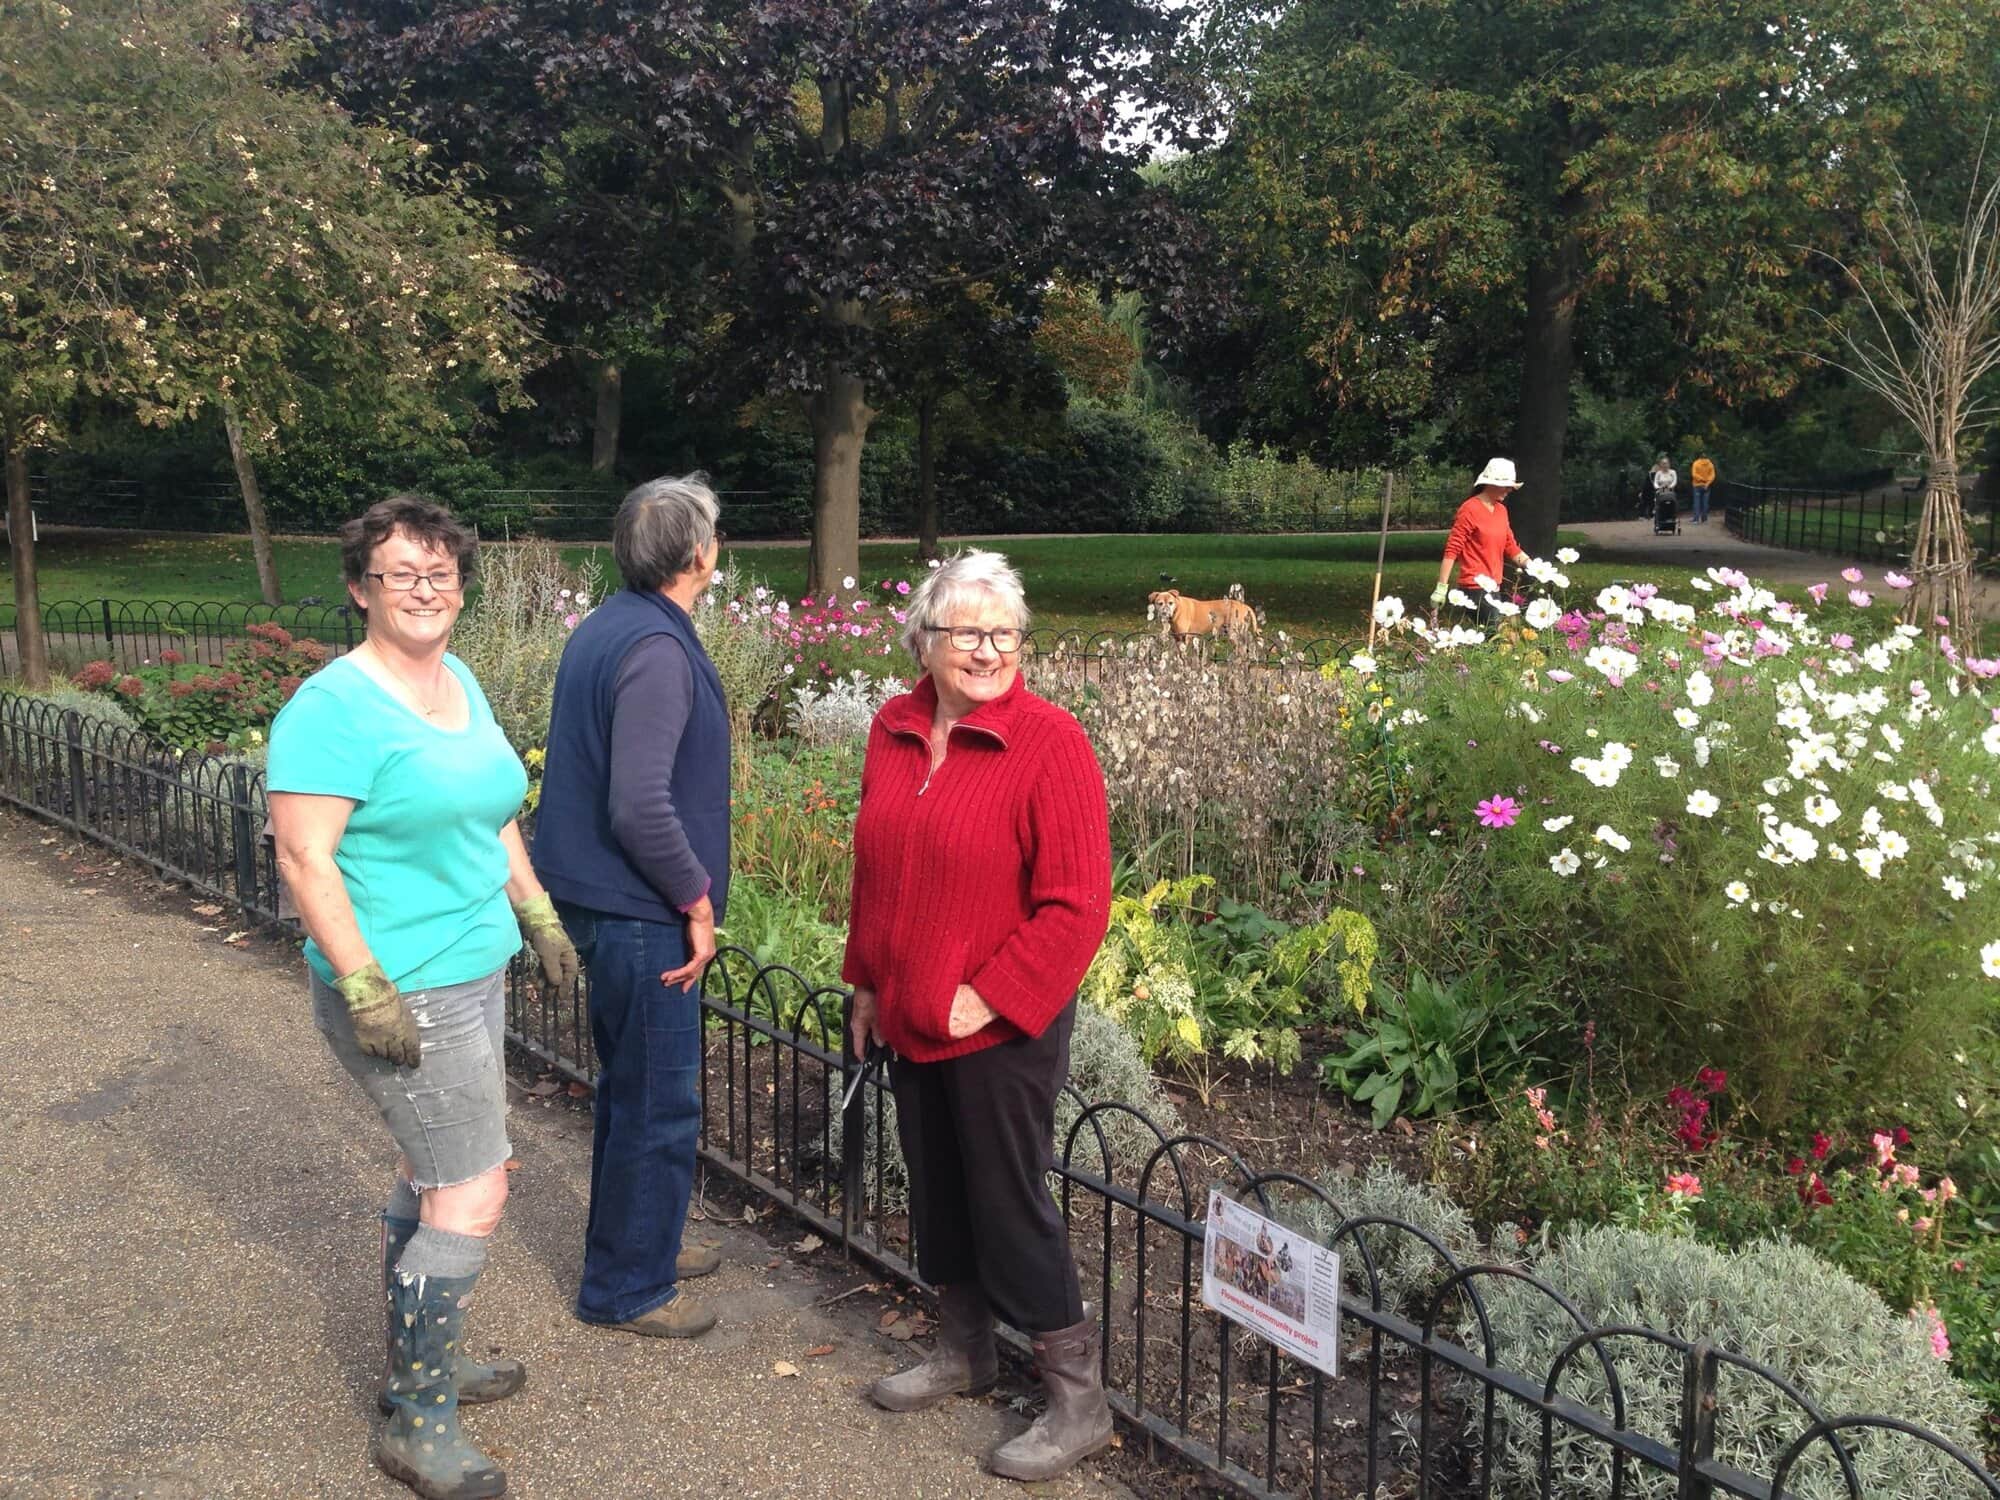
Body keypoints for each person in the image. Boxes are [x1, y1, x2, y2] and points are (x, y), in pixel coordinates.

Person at [268, 495, 579, 1500]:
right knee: (473, 1190)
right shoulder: (332, 708)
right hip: (402, 989)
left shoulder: (458, 682)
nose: (423, 589)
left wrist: (534, 914)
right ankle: (419, 1419)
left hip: (470, 970)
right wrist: (363, 986)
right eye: (401, 573)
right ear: (361, 588)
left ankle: (422, 1372)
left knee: (429, 1170)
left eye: (439, 571)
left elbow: (491, 812)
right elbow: (304, 858)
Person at [845, 549, 1114, 1483]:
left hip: (1001, 1027)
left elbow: (1079, 905)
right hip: (913, 1011)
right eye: (968, 633)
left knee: (1008, 1199)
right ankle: (964, 1349)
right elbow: (878, 868)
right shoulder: (894, 727)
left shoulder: (1050, 743)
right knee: (938, 1185)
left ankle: (1078, 1401)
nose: (989, 651)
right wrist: (869, 982)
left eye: (1005, 634)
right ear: (924, 640)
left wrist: (989, 993)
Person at [531, 474, 731, 1341]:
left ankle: (642, 1240)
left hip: (601, 899)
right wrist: (694, 898)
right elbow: (639, 804)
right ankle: (628, 1287)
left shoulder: (609, 626)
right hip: (639, 908)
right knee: (658, 1101)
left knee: (631, 1090)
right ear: (699, 554)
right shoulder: (654, 648)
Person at [1428, 457, 1532, 624]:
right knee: (1495, 635)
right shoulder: (1469, 509)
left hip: (1494, 586)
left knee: (1492, 639)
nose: (1509, 490)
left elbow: (1510, 546)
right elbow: (1452, 549)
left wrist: (1534, 567)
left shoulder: (1501, 511)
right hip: (1474, 587)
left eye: (1511, 487)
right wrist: (1441, 587)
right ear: (1491, 484)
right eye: (1506, 486)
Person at [1690, 453, 1716, 523]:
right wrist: (1707, 483)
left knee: (1697, 502)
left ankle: (1696, 519)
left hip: (1697, 485)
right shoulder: (1710, 464)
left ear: (1699, 457)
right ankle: (1704, 519)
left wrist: (1701, 479)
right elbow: (1712, 476)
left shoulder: (1696, 463)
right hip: (1706, 486)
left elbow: (1694, 474)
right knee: (1705, 502)